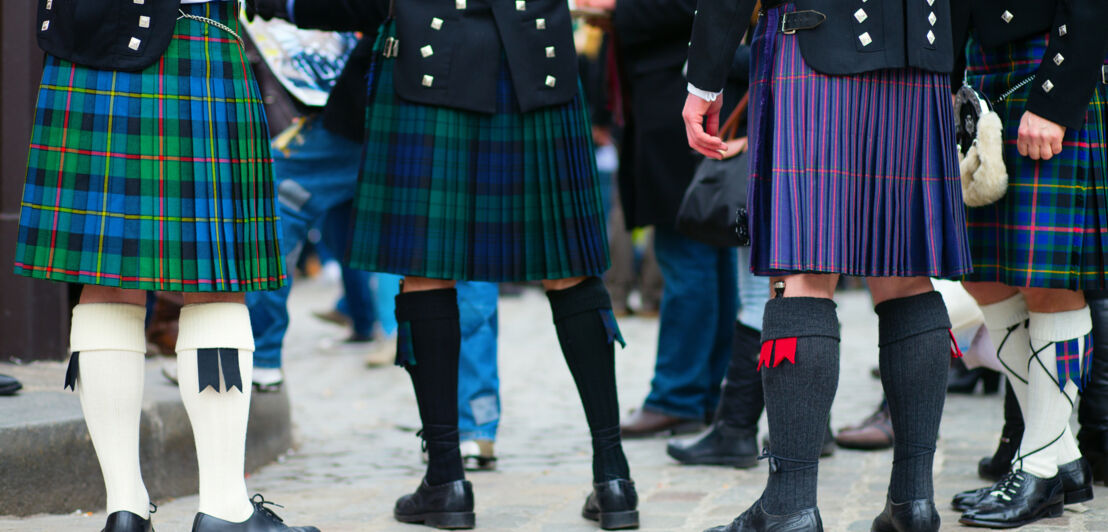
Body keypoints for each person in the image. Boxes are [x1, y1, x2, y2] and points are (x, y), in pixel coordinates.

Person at [250, 0, 639, 529]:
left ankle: (447, 480)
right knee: (568, 267)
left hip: (432, 60)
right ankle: (614, 478)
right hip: (535, 57)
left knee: (427, 269)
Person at [14, 1, 317, 531]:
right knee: (213, 284)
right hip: (190, 35)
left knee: (106, 282)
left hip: (87, 39)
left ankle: (123, 510)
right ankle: (224, 508)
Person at [683, 2, 972, 531]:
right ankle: (914, 502)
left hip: (815, 43)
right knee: (907, 276)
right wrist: (946, 62)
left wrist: (704, 81)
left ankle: (789, 506)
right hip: (921, 53)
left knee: (804, 273)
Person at [948, 2, 1108, 527]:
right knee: (985, 278)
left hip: (1049, 66)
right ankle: (1064, 463)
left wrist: (1057, 100)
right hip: (985, 67)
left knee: (1051, 282)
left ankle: (1037, 466)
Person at [581, 0, 739, 439]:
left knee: (687, 251)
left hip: (676, 97)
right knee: (705, 251)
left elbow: (690, 6)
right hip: (673, 95)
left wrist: (617, 6)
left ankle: (679, 396)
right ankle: (704, 393)